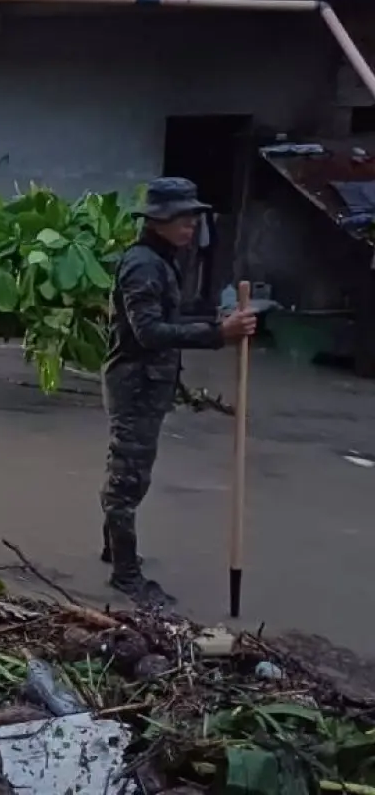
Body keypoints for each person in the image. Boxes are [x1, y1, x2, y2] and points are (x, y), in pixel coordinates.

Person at [100, 177, 256, 605]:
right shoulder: (143, 264)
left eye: (193, 217)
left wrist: (218, 321)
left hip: (149, 383)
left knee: (126, 467)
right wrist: (217, 333)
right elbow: (148, 332)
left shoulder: (163, 259)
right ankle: (125, 576)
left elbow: (166, 318)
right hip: (136, 383)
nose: (191, 225)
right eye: (181, 217)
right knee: (129, 477)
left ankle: (113, 550)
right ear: (158, 221)